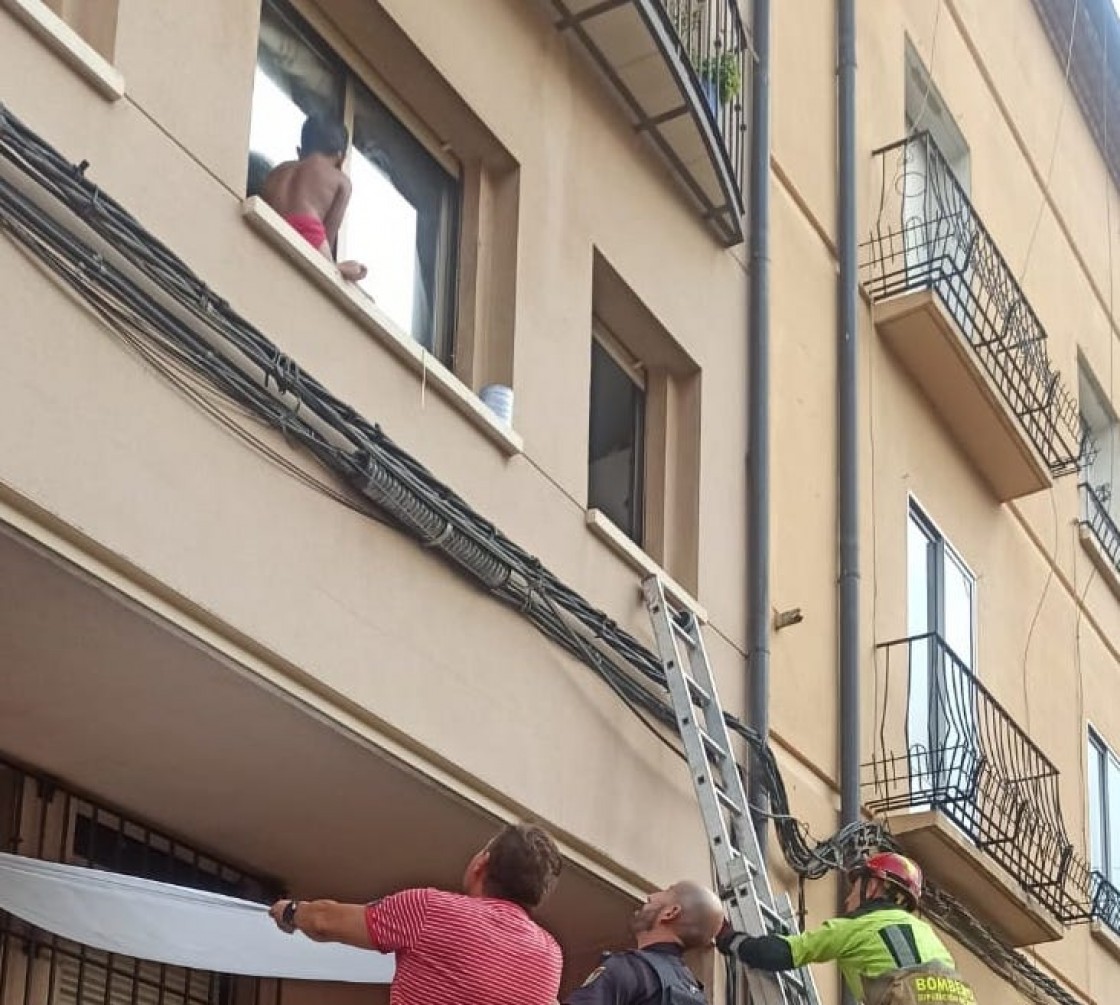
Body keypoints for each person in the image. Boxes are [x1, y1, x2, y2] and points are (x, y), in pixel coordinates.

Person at [268, 822, 564, 1005]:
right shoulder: (551, 956)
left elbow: (324, 921)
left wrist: (291, 912)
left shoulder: (430, 909)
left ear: (481, 864)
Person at [716, 852, 977, 1005]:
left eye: (854, 887)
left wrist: (729, 938)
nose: (847, 899)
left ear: (873, 886)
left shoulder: (855, 929)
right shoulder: (929, 936)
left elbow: (780, 954)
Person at [564, 881, 724, 1005]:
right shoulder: (696, 996)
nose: (651, 896)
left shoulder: (632, 969)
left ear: (670, 913)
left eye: (668, 891)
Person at [260, 114, 368, 282]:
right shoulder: (341, 181)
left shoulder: (277, 172)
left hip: (272, 225)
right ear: (341, 159)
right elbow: (328, 236)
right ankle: (342, 269)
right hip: (309, 230)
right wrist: (330, 264)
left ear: (300, 151)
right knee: (332, 273)